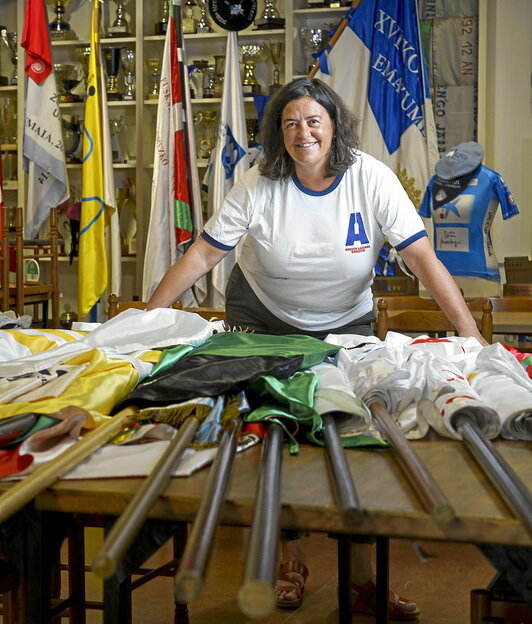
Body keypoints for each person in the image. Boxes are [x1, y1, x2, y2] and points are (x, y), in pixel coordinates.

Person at [147, 77, 488, 619]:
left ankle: (363, 576)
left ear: (334, 127)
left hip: (345, 320)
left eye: (313, 121)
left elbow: (424, 260)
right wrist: (148, 320)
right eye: (290, 123)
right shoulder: (258, 182)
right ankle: (291, 559)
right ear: (278, 134)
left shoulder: (371, 178)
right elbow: (202, 257)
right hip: (262, 313)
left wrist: (472, 338)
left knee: (351, 433)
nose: (302, 132)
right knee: (277, 433)